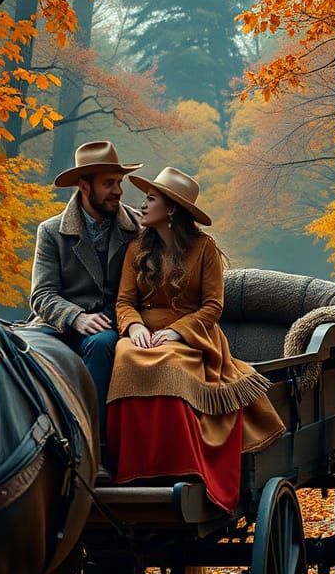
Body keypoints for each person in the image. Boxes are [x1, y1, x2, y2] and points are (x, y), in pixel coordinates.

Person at [105, 167, 285, 514]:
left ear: (171, 208)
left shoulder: (204, 249)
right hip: (143, 332)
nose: (141, 206)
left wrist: (178, 331)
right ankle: (131, 468)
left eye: (151, 199)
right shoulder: (136, 248)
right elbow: (124, 301)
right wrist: (134, 328)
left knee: (170, 362)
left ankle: (180, 463)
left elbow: (213, 306)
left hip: (193, 335)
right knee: (126, 357)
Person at [29, 141, 143, 450]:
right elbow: (41, 294)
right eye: (108, 183)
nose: (118, 191)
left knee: (102, 344)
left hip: (110, 325)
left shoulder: (137, 228)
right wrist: (76, 317)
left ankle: (92, 448)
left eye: (119, 182)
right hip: (56, 326)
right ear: (83, 186)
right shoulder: (51, 231)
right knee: (22, 349)